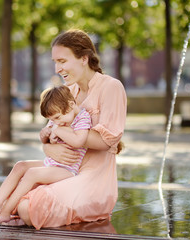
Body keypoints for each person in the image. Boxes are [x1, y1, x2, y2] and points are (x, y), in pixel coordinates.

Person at [12, 29, 127, 230]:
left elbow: (106, 140)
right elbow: (49, 132)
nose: (57, 68)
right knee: (20, 182)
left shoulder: (111, 87)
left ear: (84, 58)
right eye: (55, 62)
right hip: (66, 170)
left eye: (62, 61)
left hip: (94, 180)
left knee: (26, 208)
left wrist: (66, 134)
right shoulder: (69, 91)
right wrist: (49, 148)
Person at [0, 85, 92, 225]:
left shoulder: (82, 118)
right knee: (20, 166)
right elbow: (45, 136)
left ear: (71, 105)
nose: (57, 121)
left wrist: (57, 130)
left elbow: (79, 141)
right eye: (53, 119)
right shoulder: (58, 117)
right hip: (52, 164)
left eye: (57, 118)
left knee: (32, 174)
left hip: (67, 170)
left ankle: (5, 212)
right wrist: (46, 135)